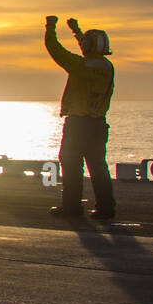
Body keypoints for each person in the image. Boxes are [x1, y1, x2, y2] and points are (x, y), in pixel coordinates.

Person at [45, 15, 115, 220]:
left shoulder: (79, 65)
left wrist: (51, 26)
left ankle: (72, 208)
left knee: (71, 164)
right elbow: (89, 52)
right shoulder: (107, 67)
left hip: (77, 124)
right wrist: (76, 30)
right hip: (98, 124)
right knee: (98, 166)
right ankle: (106, 208)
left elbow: (54, 48)